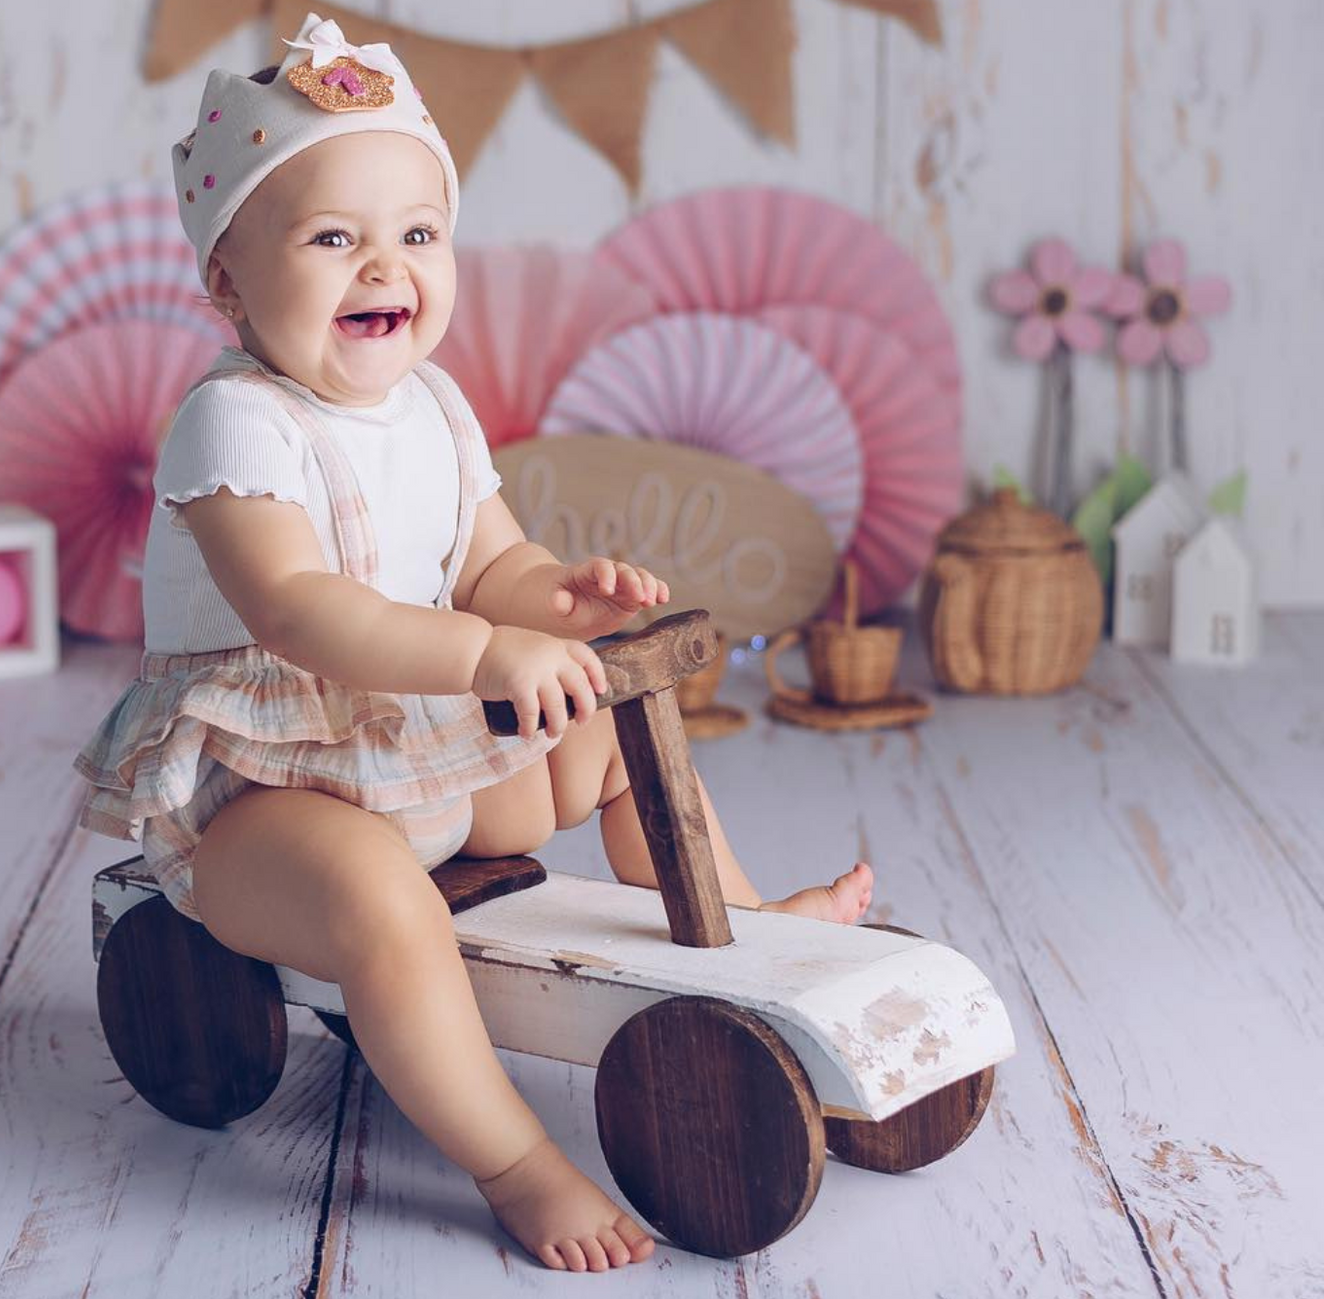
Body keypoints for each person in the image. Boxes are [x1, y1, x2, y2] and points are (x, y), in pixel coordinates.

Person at [74, 11, 873, 1273]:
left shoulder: (433, 407)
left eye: (416, 234)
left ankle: (757, 940)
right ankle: (513, 1162)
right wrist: (483, 656)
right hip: (265, 798)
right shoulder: (232, 427)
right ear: (227, 282)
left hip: (424, 760)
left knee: (611, 728)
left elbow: (493, 565)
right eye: (332, 238)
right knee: (384, 907)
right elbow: (298, 611)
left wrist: (563, 601)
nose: (382, 267)